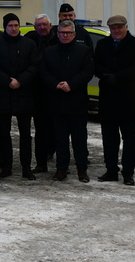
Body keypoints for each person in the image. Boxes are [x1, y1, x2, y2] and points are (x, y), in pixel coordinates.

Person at [93, 15, 135, 185]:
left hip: (129, 99)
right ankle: (111, 170)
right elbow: (96, 64)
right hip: (108, 98)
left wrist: (118, 77)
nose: (116, 30)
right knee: (109, 138)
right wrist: (106, 76)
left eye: (119, 27)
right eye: (113, 28)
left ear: (126, 27)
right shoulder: (102, 44)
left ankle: (128, 172)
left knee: (129, 139)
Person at [0, 13, 39, 179]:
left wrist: (20, 81)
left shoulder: (28, 44)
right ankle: (6, 166)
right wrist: (7, 81)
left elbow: (35, 65)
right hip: (3, 92)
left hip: (24, 93)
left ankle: (26, 167)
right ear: (5, 27)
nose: (14, 28)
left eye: (16, 25)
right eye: (10, 26)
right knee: (4, 133)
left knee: (25, 133)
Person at [39, 20, 94, 182]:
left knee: (80, 139)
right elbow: (43, 72)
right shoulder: (49, 52)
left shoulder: (84, 51)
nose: (65, 35)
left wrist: (71, 84)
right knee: (60, 139)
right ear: (57, 34)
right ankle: (61, 169)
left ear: (74, 34)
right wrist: (56, 84)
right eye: (62, 32)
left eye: (68, 33)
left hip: (77, 102)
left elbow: (88, 72)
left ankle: (82, 170)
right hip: (57, 102)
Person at [26, 13, 56, 173]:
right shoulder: (30, 41)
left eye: (45, 24)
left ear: (50, 25)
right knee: (40, 129)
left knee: (59, 129)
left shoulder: (59, 39)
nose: (42, 28)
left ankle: (61, 163)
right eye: (39, 25)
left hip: (57, 91)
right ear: (34, 27)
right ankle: (41, 162)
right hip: (37, 92)